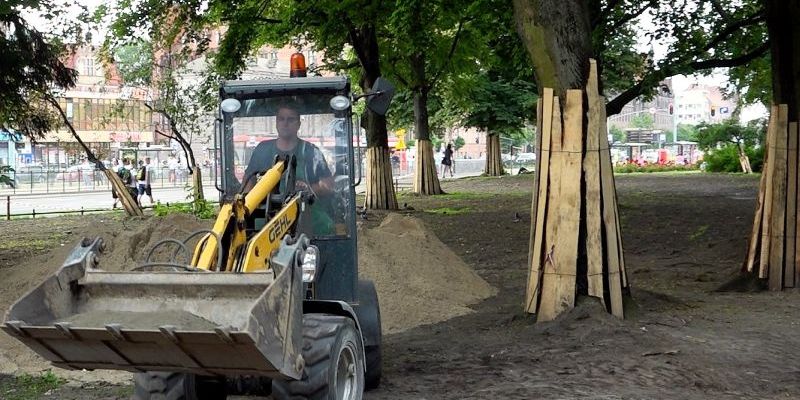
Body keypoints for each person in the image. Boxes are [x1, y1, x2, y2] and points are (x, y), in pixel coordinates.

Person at [244, 100, 334, 234]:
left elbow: (329, 185)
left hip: (307, 216)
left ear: (298, 124)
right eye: (281, 119)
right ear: (276, 123)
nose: (285, 123)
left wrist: (308, 188)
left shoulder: (311, 151)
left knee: (327, 227)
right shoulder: (262, 150)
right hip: (267, 218)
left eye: (290, 119)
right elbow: (248, 183)